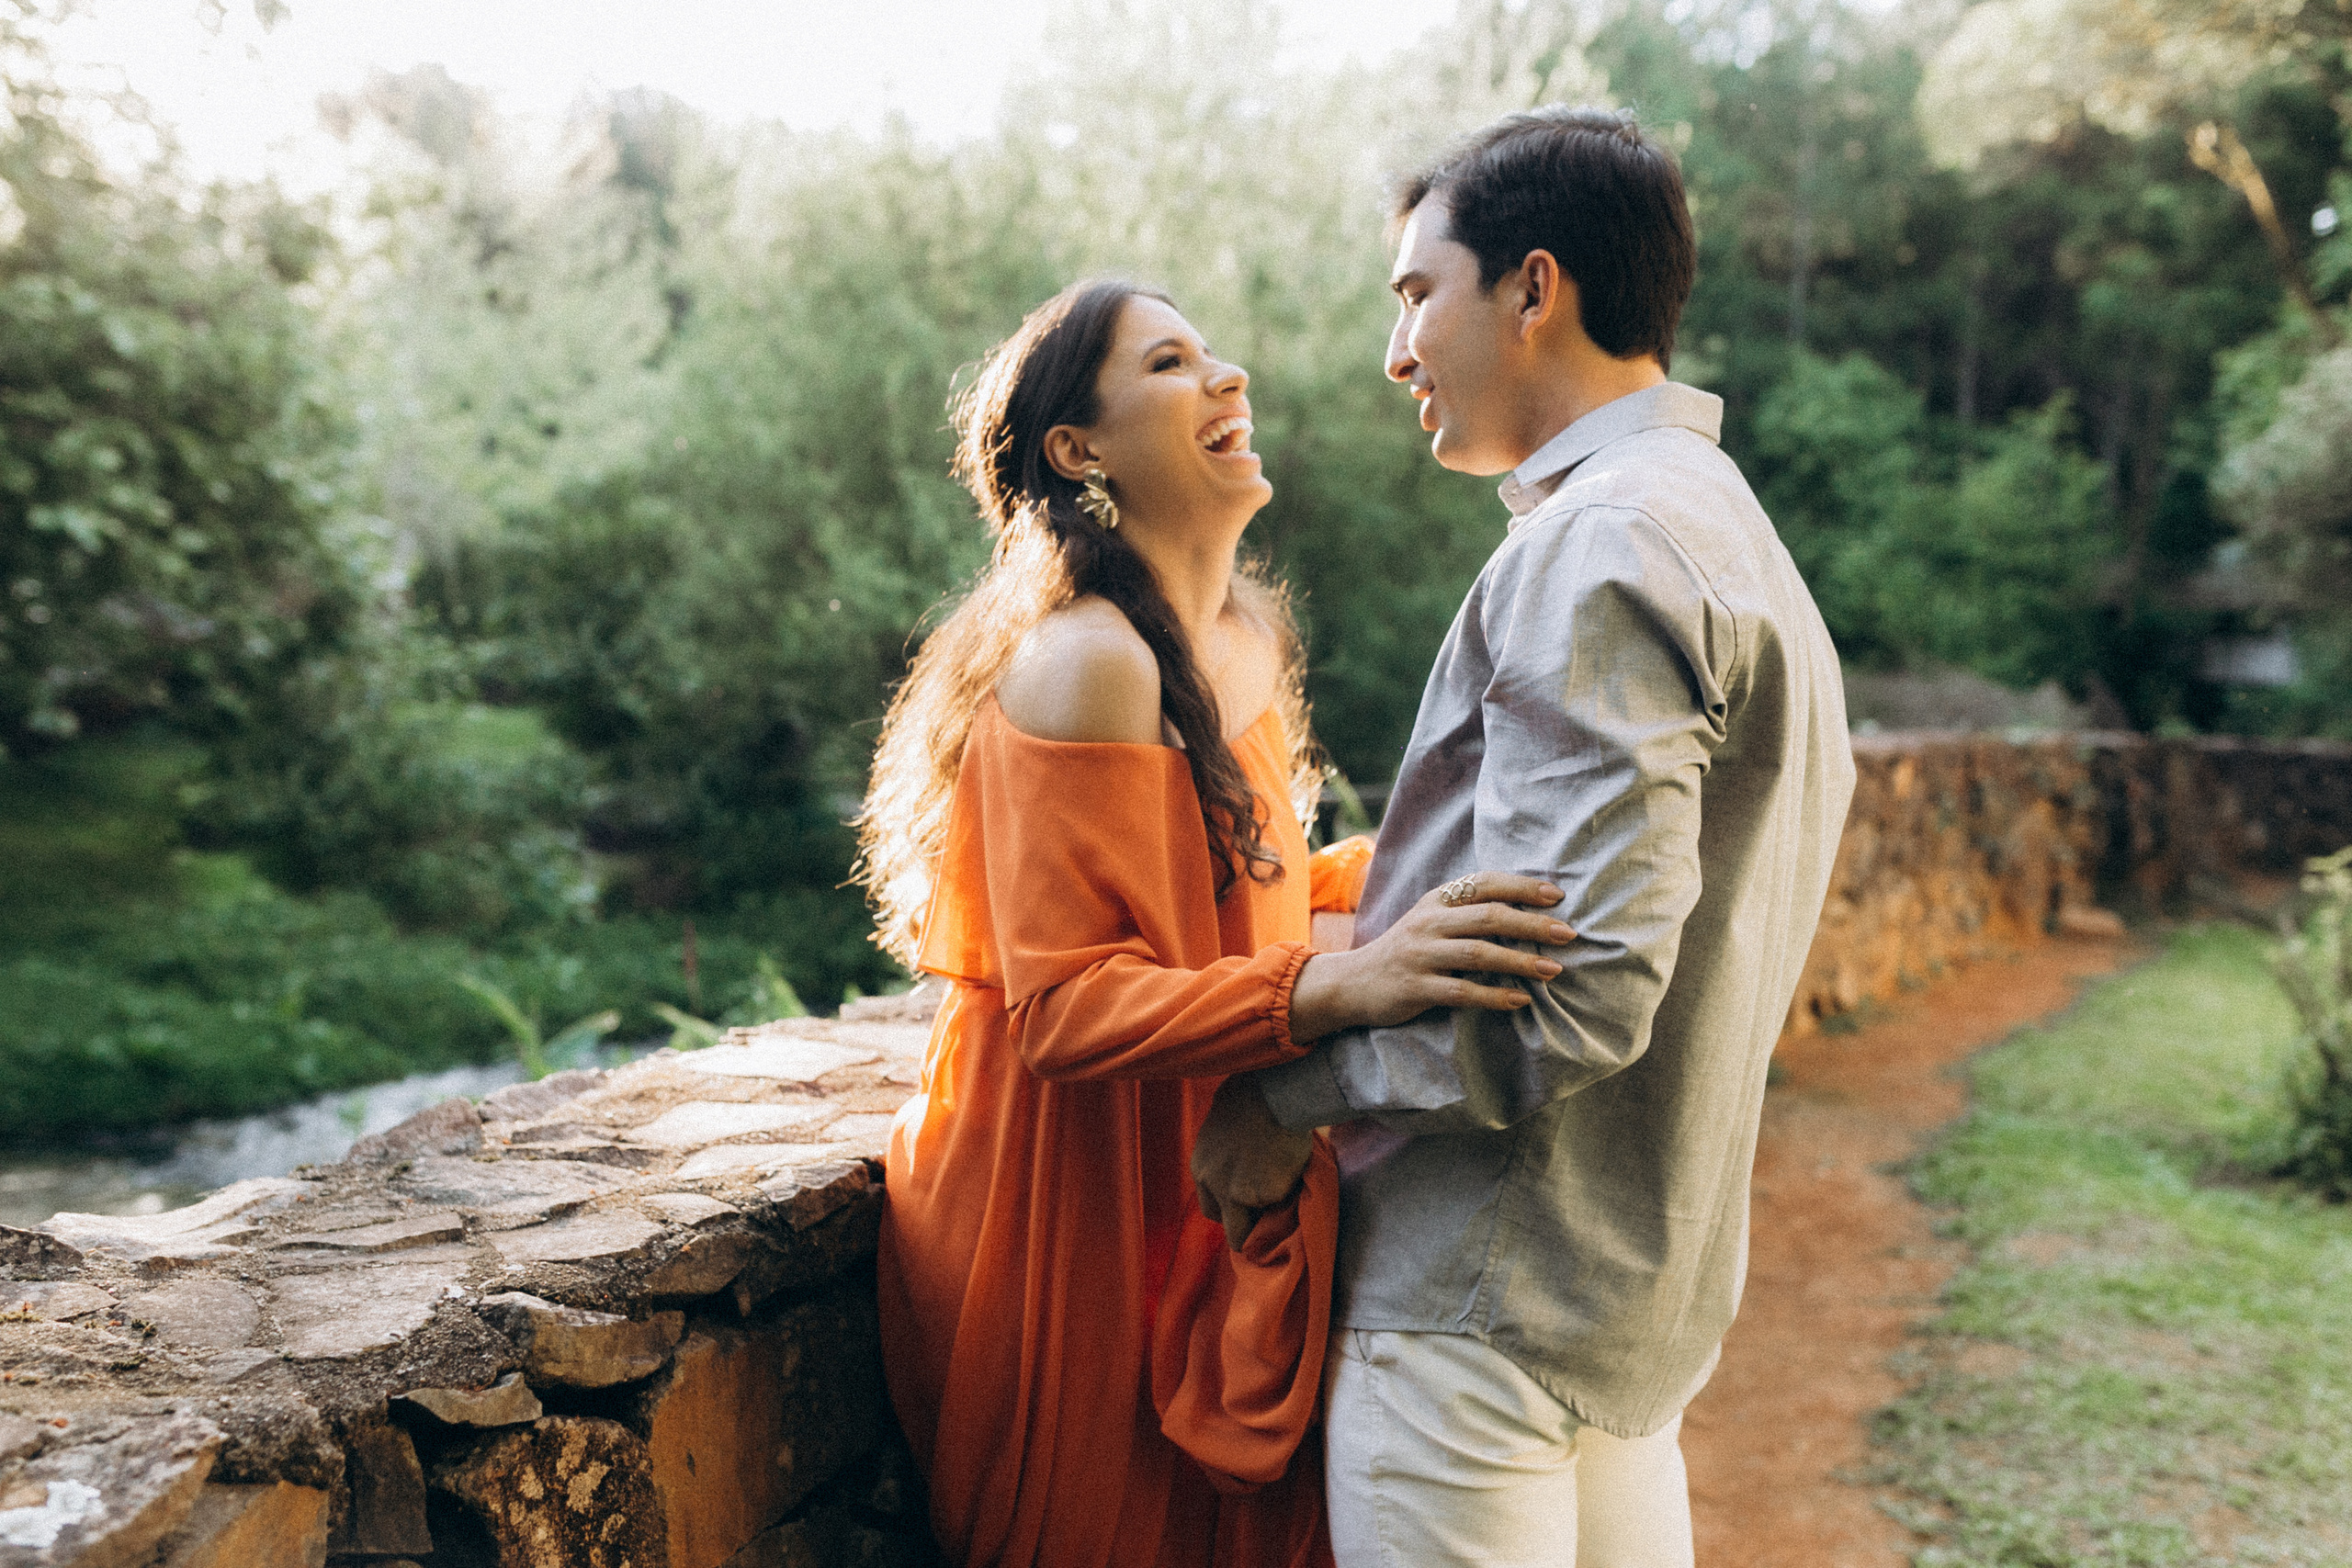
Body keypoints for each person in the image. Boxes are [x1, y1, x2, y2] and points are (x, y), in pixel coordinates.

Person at [1191, 107, 1858, 1566]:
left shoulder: (1604, 543)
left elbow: (1580, 984)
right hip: (1622, 1304)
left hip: (1481, 1311)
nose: (1396, 352)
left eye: (1416, 292)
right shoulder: (1731, 532)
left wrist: (1288, 1100)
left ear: (1534, 288)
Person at [855, 278, 1575, 1568]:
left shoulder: (1242, 632)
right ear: (1079, 452)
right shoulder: (1089, 661)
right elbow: (1066, 1005)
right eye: (1174, 362)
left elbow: (1250, 888)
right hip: (1064, 1201)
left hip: (1193, 1152)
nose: (1229, 377)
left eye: (1214, 352)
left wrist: (1421, 884)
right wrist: (1338, 988)